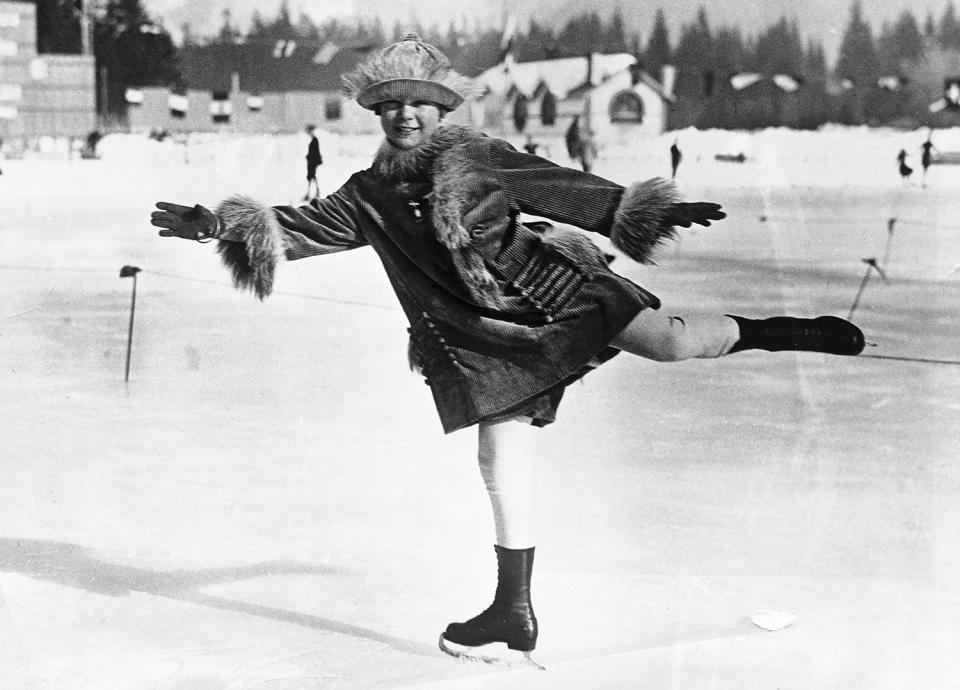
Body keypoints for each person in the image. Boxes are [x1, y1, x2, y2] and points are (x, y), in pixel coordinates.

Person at [150, 34, 865, 666]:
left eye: (419, 104)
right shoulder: (365, 194)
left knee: (672, 344)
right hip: (482, 342)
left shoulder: (474, 157)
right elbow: (299, 225)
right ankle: (513, 610)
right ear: (376, 113)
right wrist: (218, 222)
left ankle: (781, 332)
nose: (405, 116)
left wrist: (641, 209)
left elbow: (559, 187)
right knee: (498, 456)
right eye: (392, 105)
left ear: (440, 110)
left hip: (552, 292)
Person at [304, 124, 323, 200]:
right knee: (312, 177)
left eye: (309, 131)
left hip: (312, 162)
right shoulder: (313, 140)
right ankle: (315, 193)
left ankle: (310, 194)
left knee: (311, 177)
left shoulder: (315, 140)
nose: (308, 132)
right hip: (311, 161)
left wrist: (313, 158)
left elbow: (316, 152)